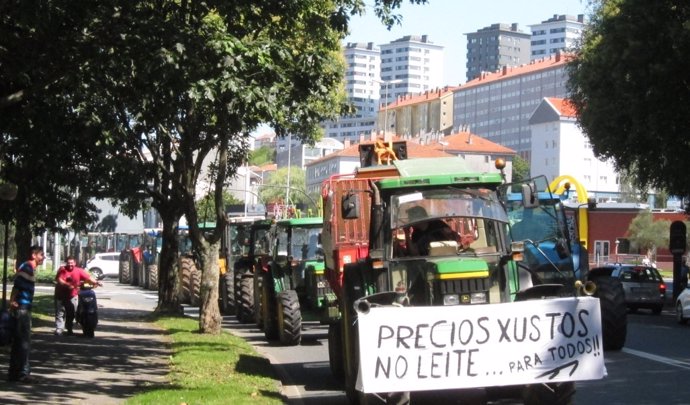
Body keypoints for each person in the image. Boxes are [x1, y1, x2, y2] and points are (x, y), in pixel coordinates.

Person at [8, 245, 45, 383]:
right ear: (34, 255)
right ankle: (23, 373)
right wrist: (12, 302)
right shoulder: (27, 267)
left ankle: (14, 373)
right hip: (22, 307)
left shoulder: (28, 268)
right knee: (23, 341)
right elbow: (17, 285)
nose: (43, 257)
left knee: (19, 341)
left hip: (23, 306)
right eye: (41, 255)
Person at [54, 256, 101, 336]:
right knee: (60, 313)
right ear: (66, 263)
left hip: (72, 296)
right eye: (68, 263)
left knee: (71, 314)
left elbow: (89, 277)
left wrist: (97, 282)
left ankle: (69, 329)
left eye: (72, 263)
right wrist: (67, 285)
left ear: (75, 263)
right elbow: (59, 280)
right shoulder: (62, 269)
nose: (70, 265)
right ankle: (59, 329)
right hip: (60, 295)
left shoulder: (79, 270)